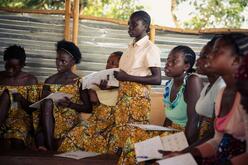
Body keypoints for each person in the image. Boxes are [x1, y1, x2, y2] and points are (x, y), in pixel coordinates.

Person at [165, 33, 248, 165]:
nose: (209, 55)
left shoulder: (244, 97)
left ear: (236, 61)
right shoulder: (222, 93)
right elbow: (217, 140)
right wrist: (184, 154)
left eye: (217, 51)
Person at [108, 10, 162, 154]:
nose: (129, 28)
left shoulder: (150, 48)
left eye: (134, 24)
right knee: (121, 135)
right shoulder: (129, 48)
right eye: (128, 25)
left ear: (145, 26)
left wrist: (127, 78)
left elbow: (157, 79)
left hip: (137, 99)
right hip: (123, 96)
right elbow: (124, 74)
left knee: (135, 137)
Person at [58, 51, 123, 153]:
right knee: (75, 135)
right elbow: (93, 102)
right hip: (96, 121)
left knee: (101, 140)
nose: (108, 65)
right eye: (108, 62)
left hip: (111, 122)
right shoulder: (101, 80)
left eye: (113, 63)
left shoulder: (124, 85)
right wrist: (90, 89)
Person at [33, 40, 92, 151]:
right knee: (47, 102)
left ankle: (47, 145)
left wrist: (71, 104)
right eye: (57, 60)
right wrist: (44, 98)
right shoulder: (49, 80)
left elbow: (88, 108)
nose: (58, 63)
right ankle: (50, 146)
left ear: (73, 62)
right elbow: (40, 105)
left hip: (68, 120)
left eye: (63, 61)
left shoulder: (79, 82)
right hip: (48, 119)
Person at [0, 45, 39, 149]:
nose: (10, 70)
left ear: (22, 65)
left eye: (14, 67)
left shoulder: (30, 80)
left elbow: (34, 109)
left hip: (20, 119)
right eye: (8, 66)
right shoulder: (0, 77)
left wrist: (22, 100)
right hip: (2, 119)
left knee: (17, 141)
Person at [163, 45, 203, 144]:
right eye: (168, 60)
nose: (168, 64)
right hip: (171, 133)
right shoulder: (170, 84)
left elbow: (194, 120)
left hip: (186, 136)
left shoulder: (192, 81)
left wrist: (183, 150)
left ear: (186, 66)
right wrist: (161, 135)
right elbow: (169, 117)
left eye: (174, 61)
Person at [194, 36, 225, 143]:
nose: (197, 61)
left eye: (204, 56)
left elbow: (212, 133)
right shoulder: (208, 86)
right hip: (203, 142)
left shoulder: (221, 87)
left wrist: (186, 152)